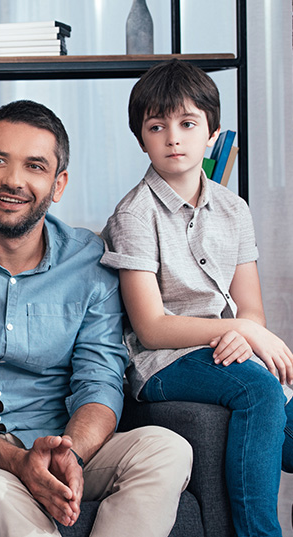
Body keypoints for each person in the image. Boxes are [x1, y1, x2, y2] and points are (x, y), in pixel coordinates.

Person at [0, 100, 193, 536]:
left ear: (58, 184)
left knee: (166, 449)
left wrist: (68, 455)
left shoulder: (90, 260)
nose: (14, 181)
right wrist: (17, 460)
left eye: (35, 166)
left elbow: (99, 380)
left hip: (63, 443)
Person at [100, 59, 293, 537]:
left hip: (226, 349)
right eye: (157, 126)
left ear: (212, 134)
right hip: (164, 361)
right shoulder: (134, 214)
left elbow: (251, 309)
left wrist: (244, 332)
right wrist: (237, 330)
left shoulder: (234, 209)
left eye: (187, 124)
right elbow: (151, 327)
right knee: (259, 388)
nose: (173, 138)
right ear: (141, 137)